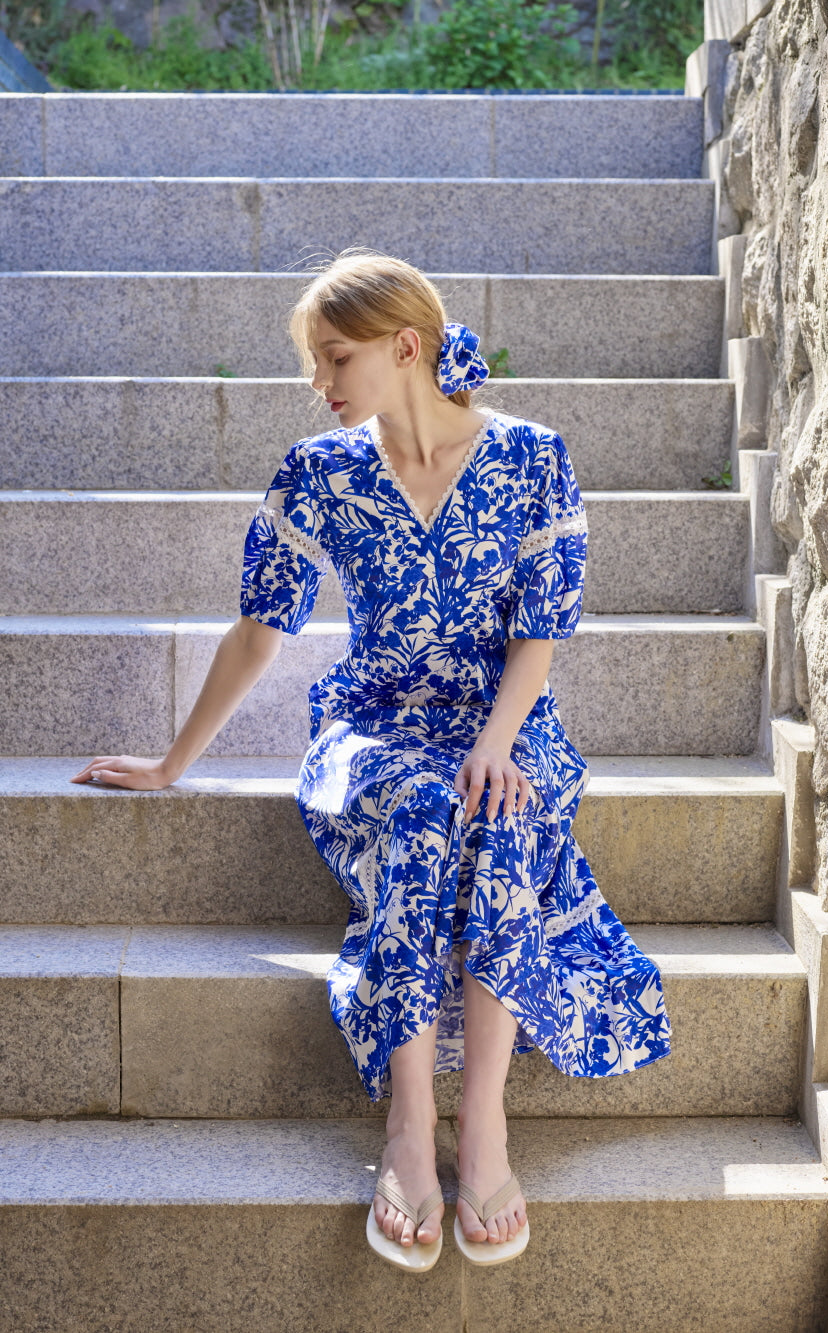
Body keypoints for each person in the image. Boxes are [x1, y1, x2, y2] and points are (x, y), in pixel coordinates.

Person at [71, 248, 672, 1274]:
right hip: (375, 727)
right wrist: (172, 763)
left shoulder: (533, 456)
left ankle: (481, 1125)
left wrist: (496, 738)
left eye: (332, 356)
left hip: (504, 717)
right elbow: (260, 629)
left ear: (405, 347)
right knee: (425, 805)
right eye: (313, 363)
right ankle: (408, 1125)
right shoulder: (321, 472)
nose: (319, 383)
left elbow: (543, 626)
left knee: (501, 799)